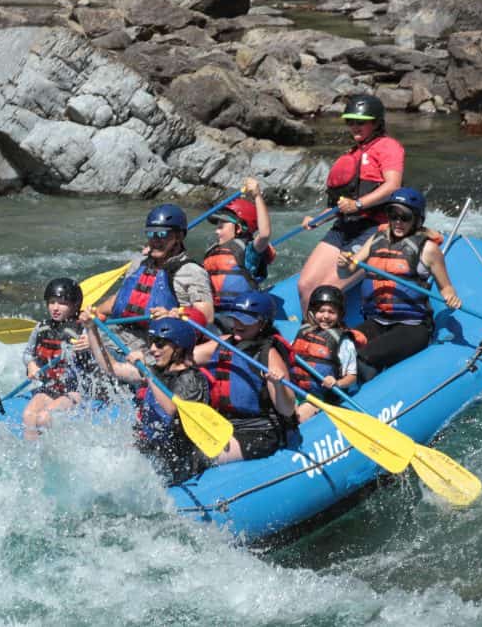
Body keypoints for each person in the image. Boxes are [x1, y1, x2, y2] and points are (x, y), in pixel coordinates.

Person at [338, 187, 461, 381]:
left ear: (417, 219)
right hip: (377, 321)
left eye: (404, 217)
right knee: (339, 346)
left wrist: (450, 297)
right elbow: (347, 270)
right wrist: (343, 264)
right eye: (393, 215)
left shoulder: (429, 249)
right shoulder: (376, 239)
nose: (398, 222)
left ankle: (366, 398)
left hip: (411, 327)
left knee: (363, 357)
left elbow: (446, 287)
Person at [296, 94, 404, 311]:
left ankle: (329, 339)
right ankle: (307, 335)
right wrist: (317, 220)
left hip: (374, 229)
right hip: (345, 226)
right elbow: (339, 204)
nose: (355, 127)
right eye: (351, 122)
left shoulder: (388, 146)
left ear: (376, 123)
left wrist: (358, 205)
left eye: (361, 122)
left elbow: (393, 185)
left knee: (327, 291)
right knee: (306, 285)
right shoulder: (353, 154)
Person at [84, 315, 209, 484]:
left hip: (179, 458)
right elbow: (112, 368)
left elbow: (171, 409)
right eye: (151, 341)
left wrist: (148, 374)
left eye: (159, 343)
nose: (152, 348)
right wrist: (91, 329)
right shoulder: (158, 372)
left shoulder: (191, 378)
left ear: (178, 348)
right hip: (154, 448)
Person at [193, 291, 297, 463]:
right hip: (225, 424)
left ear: (262, 323)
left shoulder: (269, 355)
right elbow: (190, 356)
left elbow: (287, 409)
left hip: (260, 431)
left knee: (201, 458)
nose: (238, 324)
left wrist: (278, 385)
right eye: (235, 318)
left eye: (245, 321)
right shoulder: (225, 341)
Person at [94, 203, 214, 350]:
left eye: (162, 234)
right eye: (151, 233)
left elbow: (207, 317)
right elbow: (120, 299)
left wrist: (172, 315)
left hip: (157, 345)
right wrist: (94, 313)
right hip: (118, 335)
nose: (155, 240)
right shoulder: (139, 263)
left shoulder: (192, 272)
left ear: (179, 236)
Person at [21, 278, 96, 440]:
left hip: (74, 391)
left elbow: (101, 355)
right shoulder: (41, 328)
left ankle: (49, 453)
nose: (55, 308)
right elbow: (27, 354)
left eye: (62, 303)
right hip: (49, 388)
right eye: (52, 302)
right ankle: (31, 457)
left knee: (43, 418)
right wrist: (32, 365)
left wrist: (91, 343)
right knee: (28, 415)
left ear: (75, 305)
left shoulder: (84, 330)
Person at [203, 177, 274, 328]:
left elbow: (264, 234)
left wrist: (257, 196)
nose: (217, 231)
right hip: (214, 315)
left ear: (239, 229)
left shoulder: (248, 252)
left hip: (241, 318)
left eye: (221, 226)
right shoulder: (212, 251)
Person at [291, 285, 362, 423]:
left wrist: (337, 383)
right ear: (313, 311)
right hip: (296, 389)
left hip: (322, 396)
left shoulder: (344, 342)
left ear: (339, 314)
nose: (325, 316)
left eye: (331, 312)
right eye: (321, 311)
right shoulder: (304, 331)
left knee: (298, 417)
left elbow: (352, 377)